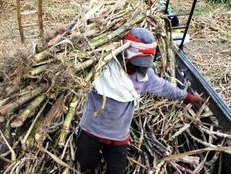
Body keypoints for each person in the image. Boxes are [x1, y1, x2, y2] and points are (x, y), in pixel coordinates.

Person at [75, 27, 204, 174]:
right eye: (135, 63)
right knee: (84, 165)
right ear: (125, 52)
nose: (138, 68)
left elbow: (164, 87)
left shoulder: (144, 75)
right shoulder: (102, 67)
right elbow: (75, 55)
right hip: (91, 130)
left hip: (118, 136)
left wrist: (187, 96)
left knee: (117, 171)